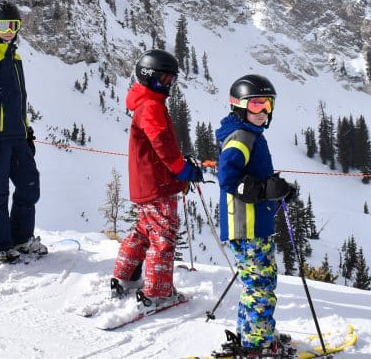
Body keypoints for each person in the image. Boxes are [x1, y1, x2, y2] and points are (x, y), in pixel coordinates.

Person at [111, 49, 201, 306]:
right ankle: (157, 292)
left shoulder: (147, 102)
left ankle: (124, 276)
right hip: (157, 183)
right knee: (163, 234)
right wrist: (181, 168)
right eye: (164, 79)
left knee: (144, 230)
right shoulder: (151, 106)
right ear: (148, 77)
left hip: (147, 182)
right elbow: (160, 140)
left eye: (172, 80)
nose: (168, 85)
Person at [215, 74, 296, 357]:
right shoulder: (240, 138)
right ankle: (257, 345)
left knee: (257, 282)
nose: (263, 112)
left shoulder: (252, 135)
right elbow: (227, 179)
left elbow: (254, 178)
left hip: (254, 222)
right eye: (257, 105)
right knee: (260, 284)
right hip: (245, 225)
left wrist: (277, 190)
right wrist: (264, 189)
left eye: (268, 106)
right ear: (239, 105)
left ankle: (252, 334)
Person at [0, 0, 46, 263]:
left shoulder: (14, 56)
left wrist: (25, 131)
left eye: (14, 25)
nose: (9, 30)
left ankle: (21, 238)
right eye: (4, 25)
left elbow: (17, 101)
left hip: (16, 136)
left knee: (29, 186)